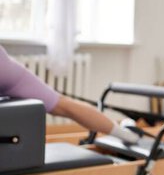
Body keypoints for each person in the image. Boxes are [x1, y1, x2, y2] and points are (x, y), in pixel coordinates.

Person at [0, 44, 140, 144]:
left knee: (64, 105)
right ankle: (127, 135)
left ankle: (127, 134)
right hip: (6, 66)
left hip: (6, 69)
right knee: (65, 105)